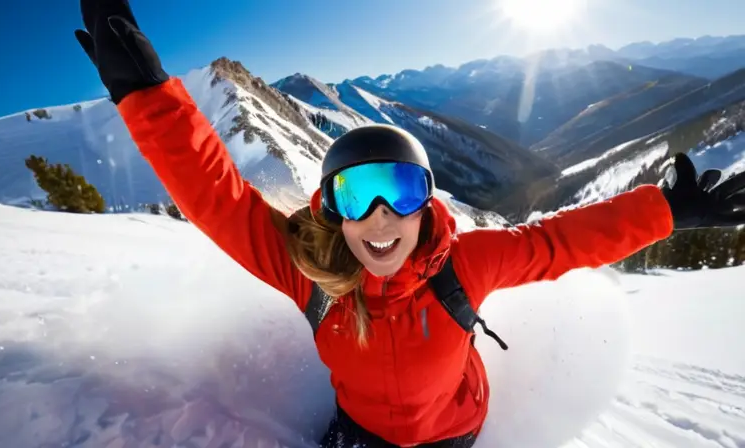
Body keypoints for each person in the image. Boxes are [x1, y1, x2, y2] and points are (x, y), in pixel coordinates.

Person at [74, 1, 745, 446]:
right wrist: (143, 93)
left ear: (426, 202)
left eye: (398, 190)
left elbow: (558, 242)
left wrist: (667, 211)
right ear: (331, 212)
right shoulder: (311, 275)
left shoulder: (466, 264)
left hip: (455, 437)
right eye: (356, 195)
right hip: (359, 438)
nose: (379, 217)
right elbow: (215, 195)